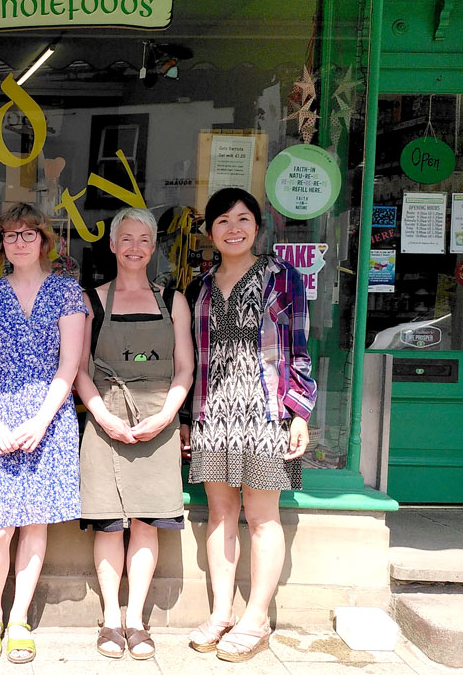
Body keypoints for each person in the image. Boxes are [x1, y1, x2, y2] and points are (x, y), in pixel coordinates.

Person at [181, 187, 316, 662]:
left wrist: (299, 411)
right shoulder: (198, 286)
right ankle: (222, 612)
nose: (233, 228)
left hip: (266, 413)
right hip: (213, 414)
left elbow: (299, 347)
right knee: (218, 514)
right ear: (210, 231)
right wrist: (185, 419)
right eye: (222, 221)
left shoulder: (283, 278)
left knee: (262, 517)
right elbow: (188, 362)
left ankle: (256, 616)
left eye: (243, 219)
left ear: (258, 227)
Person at [0, 203, 87, 665]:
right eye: (10, 236)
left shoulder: (67, 293)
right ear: (1, 245)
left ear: (43, 241)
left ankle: (18, 618)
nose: (19, 242)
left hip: (49, 418)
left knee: (34, 524)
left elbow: (68, 366)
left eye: (27, 235)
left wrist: (40, 421)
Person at [73, 208, 194, 660]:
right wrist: (102, 416)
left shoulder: (173, 300)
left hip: (158, 420)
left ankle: (136, 621)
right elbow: (80, 368)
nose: (135, 247)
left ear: (154, 245)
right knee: (108, 522)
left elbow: (186, 368)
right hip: (105, 418)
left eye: (144, 239)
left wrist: (166, 416)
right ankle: (109, 620)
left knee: (147, 522)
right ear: (112, 244)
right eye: (126, 238)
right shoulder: (92, 300)